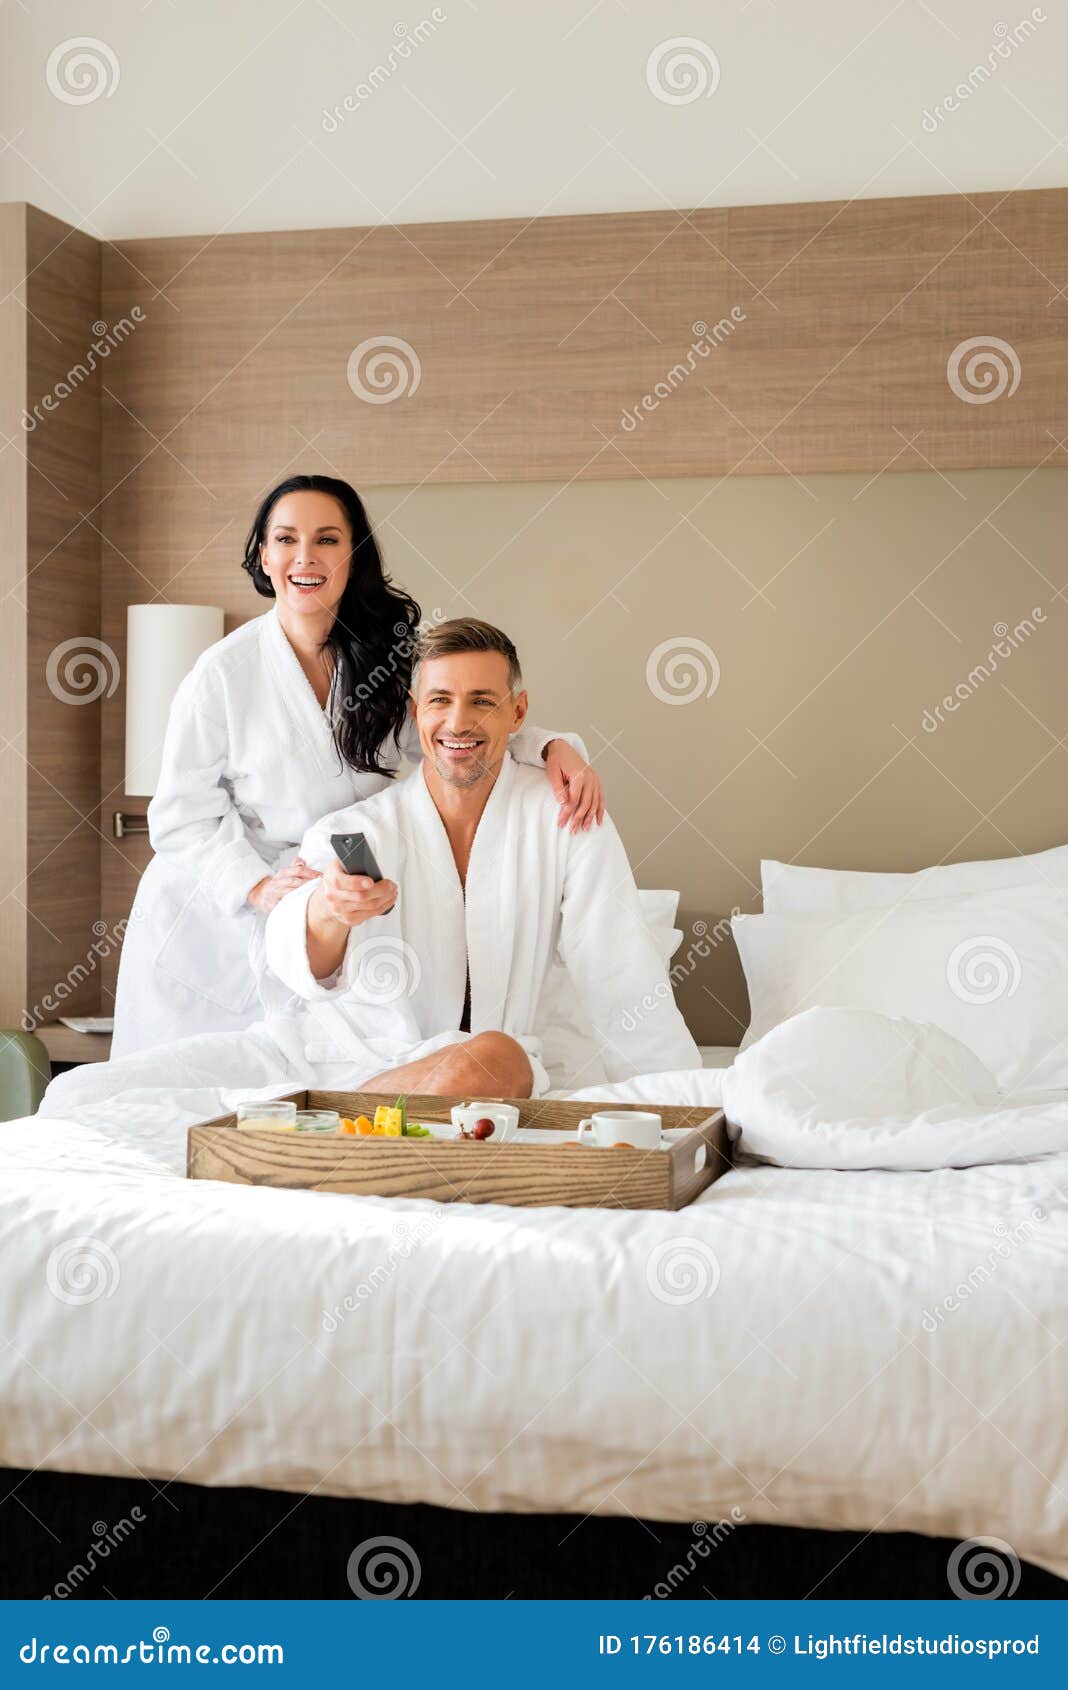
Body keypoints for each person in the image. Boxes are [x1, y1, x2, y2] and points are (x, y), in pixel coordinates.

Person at [44, 619, 698, 1119]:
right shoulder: (355, 830)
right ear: (416, 711)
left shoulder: (565, 818)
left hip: (476, 1075)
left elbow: (621, 973)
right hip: (322, 1060)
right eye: (439, 700)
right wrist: (329, 913)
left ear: (518, 713)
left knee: (496, 1059)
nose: (458, 721)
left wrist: (686, 1106)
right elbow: (295, 958)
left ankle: (317, 1125)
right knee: (82, 1097)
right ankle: (326, 1114)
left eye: (482, 701)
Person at [110, 475, 602, 1058]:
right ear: (264, 555)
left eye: (327, 539)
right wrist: (259, 885)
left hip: (330, 893)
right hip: (214, 916)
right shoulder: (222, 674)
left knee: (304, 1084)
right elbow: (179, 818)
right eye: (286, 539)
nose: (305, 557)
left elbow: (452, 731)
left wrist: (549, 748)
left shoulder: (386, 660)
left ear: (354, 554)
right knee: (193, 1091)